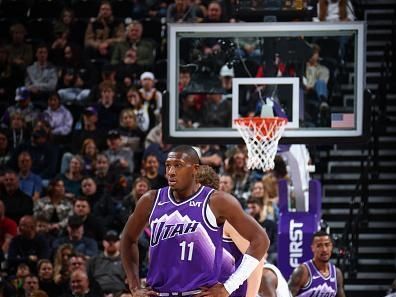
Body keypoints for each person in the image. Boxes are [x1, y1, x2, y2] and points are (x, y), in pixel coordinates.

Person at [120, 145, 269, 296]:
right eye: (168, 166)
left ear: (195, 169)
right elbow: (127, 239)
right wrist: (134, 287)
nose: (171, 172)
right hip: (159, 292)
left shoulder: (218, 201)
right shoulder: (150, 200)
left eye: (178, 166)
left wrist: (229, 287)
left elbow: (260, 240)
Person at [288, 230, 346, 297]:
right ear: (312, 248)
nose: (324, 249)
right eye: (319, 246)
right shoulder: (302, 271)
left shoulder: (337, 273)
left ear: (331, 247)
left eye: (327, 245)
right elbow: (286, 295)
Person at [87, 230, 126, 294]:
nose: (111, 243)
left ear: (119, 242)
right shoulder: (94, 260)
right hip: (97, 293)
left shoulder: (125, 260)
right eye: (108, 240)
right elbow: (89, 279)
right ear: (103, 242)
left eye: (114, 240)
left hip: (120, 293)